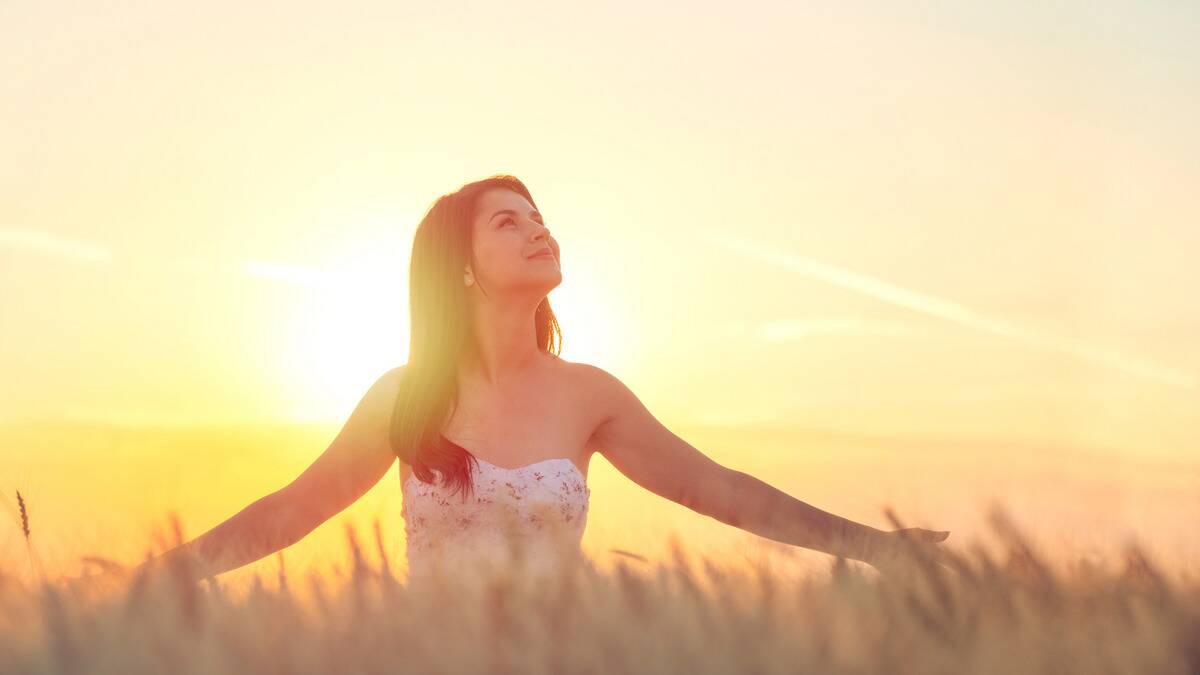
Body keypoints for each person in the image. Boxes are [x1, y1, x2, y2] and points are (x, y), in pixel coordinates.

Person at [109, 174, 953, 586]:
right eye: (508, 222)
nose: (538, 230)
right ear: (462, 271)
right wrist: (152, 577)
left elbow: (719, 490)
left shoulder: (592, 395)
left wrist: (873, 545)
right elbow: (293, 509)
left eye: (540, 217)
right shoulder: (403, 396)